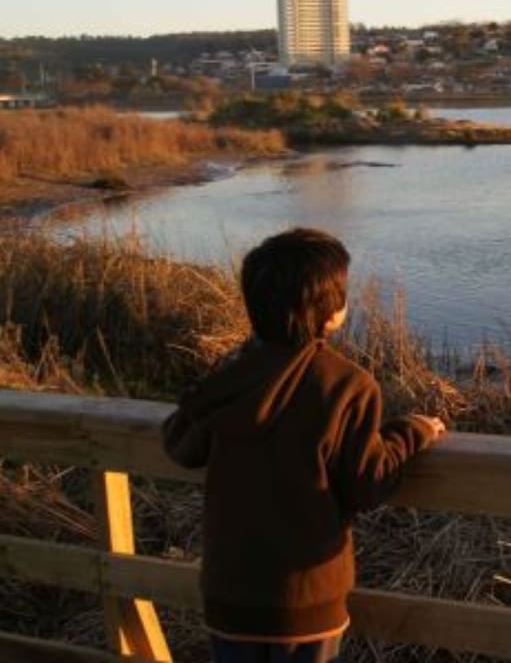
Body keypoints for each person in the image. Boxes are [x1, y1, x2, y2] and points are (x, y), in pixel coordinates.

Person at [161, 227, 446, 663]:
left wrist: (223, 373)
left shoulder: (231, 375)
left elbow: (181, 443)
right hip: (305, 595)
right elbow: (368, 484)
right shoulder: (347, 384)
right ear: (330, 313)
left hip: (229, 590)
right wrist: (412, 431)